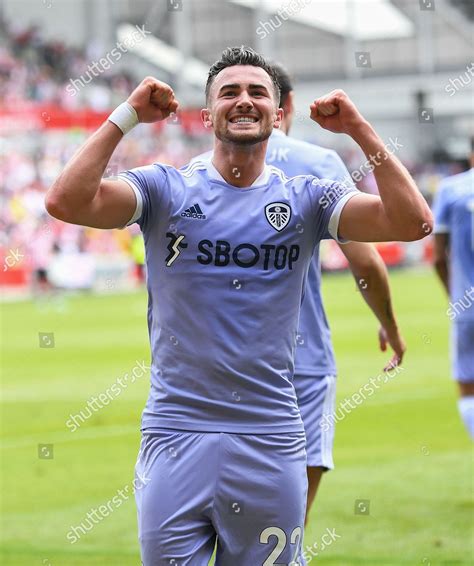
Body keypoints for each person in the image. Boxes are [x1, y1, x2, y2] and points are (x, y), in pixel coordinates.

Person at [45, 46, 432, 565]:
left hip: (269, 435)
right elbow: (65, 202)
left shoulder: (308, 199)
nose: (244, 101)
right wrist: (128, 113)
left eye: (258, 93)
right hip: (175, 430)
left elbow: (412, 224)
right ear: (207, 116)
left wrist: (360, 129)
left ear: (278, 114)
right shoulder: (166, 188)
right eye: (229, 92)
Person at [194, 63, 407, 524]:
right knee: (285, 526)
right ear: (290, 106)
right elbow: (366, 261)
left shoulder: (201, 168)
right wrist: (390, 325)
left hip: (220, 369)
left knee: (220, 516)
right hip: (301, 359)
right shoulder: (319, 163)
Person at [432, 147, 474, 439]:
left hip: (467, 307)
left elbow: (437, 256)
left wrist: (455, 296)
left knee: (468, 384)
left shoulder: (450, 189)